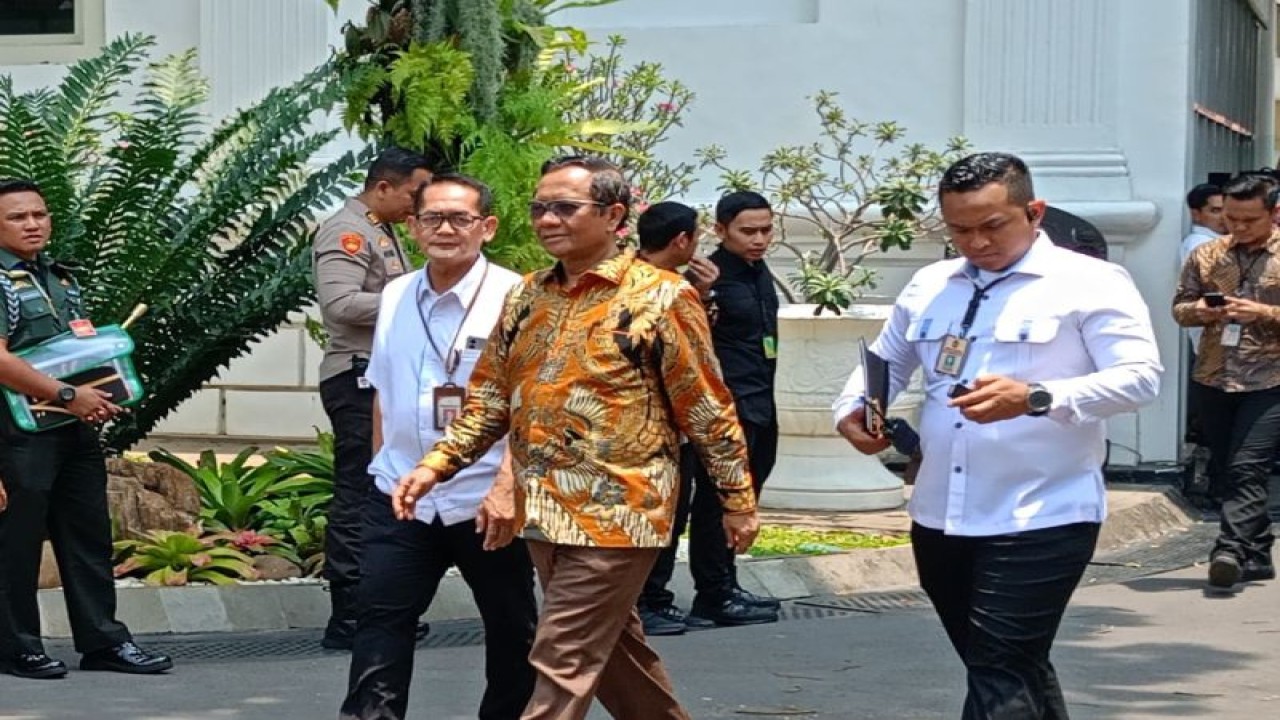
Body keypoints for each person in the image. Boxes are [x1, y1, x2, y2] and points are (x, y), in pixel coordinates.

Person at [392, 156, 761, 720]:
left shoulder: (662, 298)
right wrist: (436, 465)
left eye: (564, 207)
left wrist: (736, 500)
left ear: (615, 216)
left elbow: (706, 407)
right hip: (546, 510)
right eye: (540, 208)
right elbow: (490, 398)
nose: (546, 219)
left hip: (621, 511)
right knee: (614, 655)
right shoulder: (527, 296)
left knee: (562, 652)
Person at [833, 152, 1161, 719]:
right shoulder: (931, 284)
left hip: (1042, 514)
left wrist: (1037, 397)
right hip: (941, 514)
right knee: (1012, 666)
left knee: (999, 669)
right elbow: (884, 362)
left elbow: (1139, 379)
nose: (977, 242)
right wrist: (855, 410)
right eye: (960, 229)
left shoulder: (1090, 281)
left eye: (992, 225)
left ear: (1034, 212)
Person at [339, 174, 536, 720]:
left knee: (511, 626)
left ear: (487, 227)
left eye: (460, 219)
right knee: (379, 621)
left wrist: (506, 488)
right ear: (413, 226)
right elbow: (383, 387)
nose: (445, 229)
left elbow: (529, 405)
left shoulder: (516, 295)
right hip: (401, 492)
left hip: (484, 500)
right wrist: (384, 467)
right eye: (433, 219)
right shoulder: (398, 293)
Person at [0, 178, 173, 679]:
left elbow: (74, 351)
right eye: (17, 217)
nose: (33, 224)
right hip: (19, 433)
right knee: (17, 542)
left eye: (39, 214)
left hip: (72, 429)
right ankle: (16, 646)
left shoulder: (61, 278)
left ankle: (104, 642)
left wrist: (96, 395)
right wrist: (69, 396)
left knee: (89, 537)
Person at [313, 147, 432, 650]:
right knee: (360, 493)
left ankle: (375, 610)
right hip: (355, 378)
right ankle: (349, 616)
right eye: (413, 192)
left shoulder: (380, 232)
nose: (418, 203)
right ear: (383, 186)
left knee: (380, 489)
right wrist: (421, 296)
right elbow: (340, 305)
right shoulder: (347, 231)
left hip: (381, 379)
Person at [1173, 173, 1280, 589]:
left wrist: (1264, 314)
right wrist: (1202, 310)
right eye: (1231, 218)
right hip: (1214, 375)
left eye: (1248, 220)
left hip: (1271, 379)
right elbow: (1179, 307)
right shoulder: (1208, 254)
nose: (1236, 227)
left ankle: (1229, 549)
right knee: (1226, 467)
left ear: (1273, 213)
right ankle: (1257, 551)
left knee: (1247, 466)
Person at [685, 190, 781, 628]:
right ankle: (713, 593)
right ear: (721, 230)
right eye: (748, 231)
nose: (759, 239)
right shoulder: (707, 277)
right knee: (715, 503)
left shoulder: (757, 272)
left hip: (762, 401)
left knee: (745, 500)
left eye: (766, 230)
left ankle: (729, 581)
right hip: (727, 407)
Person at [631, 201, 719, 636]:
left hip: (675, 429)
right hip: (647, 427)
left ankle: (656, 597)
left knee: (671, 517)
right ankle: (639, 600)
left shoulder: (682, 286)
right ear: (682, 240)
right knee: (650, 518)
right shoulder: (648, 289)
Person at [1178, 183, 1227, 506]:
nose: (1223, 217)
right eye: (1215, 210)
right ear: (1197, 213)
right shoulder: (1198, 245)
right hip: (1214, 348)